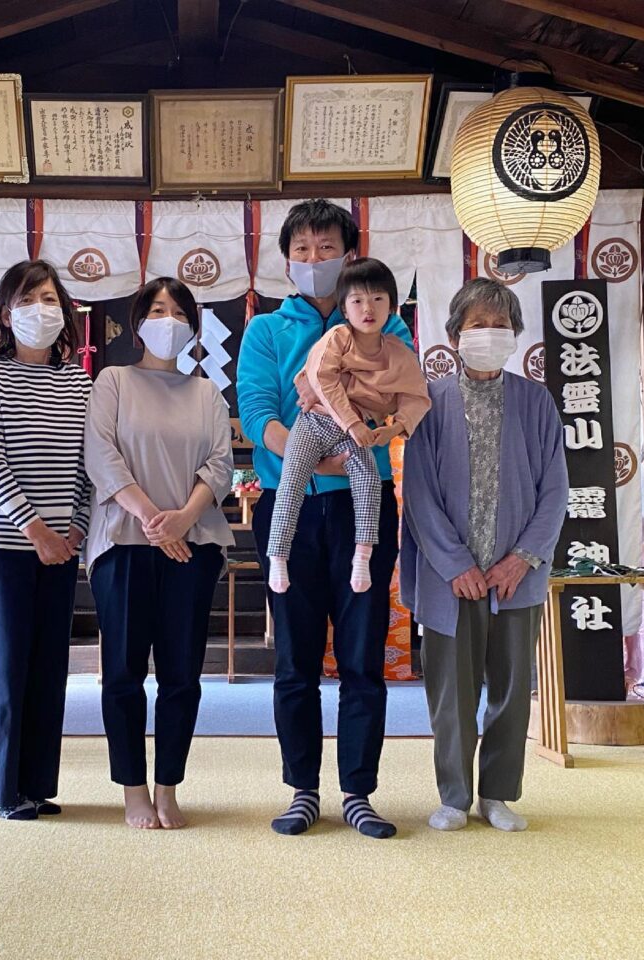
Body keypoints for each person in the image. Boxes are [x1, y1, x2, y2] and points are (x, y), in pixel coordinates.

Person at [237, 200, 416, 840]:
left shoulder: (388, 329)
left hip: (363, 509)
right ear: (287, 259)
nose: (315, 260)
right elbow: (259, 414)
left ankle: (360, 791)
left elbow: (401, 400)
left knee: (363, 655)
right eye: (303, 250)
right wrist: (326, 452)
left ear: (349, 254)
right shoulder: (265, 330)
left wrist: (359, 449)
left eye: (327, 248)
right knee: (297, 658)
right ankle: (303, 789)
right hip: (293, 503)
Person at [400, 277, 569, 833]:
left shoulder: (534, 400)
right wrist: (456, 565)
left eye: (500, 326)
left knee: (513, 685)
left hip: (515, 576)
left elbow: (554, 491)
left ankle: (498, 793)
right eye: (478, 325)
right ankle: (453, 794)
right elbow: (419, 493)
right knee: (450, 689)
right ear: (454, 334)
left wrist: (521, 558)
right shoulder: (430, 401)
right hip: (451, 579)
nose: (489, 335)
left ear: (516, 334)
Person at [85, 276, 234, 830]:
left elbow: (220, 466)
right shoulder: (113, 381)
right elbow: (101, 455)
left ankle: (168, 785)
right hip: (124, 545)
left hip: (191, 550)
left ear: (192, 326)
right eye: (156, 309)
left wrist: (183, 520)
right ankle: (132, 789)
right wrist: (154, 520)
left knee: (181, 675)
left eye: (177, 311)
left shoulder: (206, 393)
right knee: (122, 673)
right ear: (138, 321)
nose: (166, 320)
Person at [0, 259, 91, 821]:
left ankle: (36, 783)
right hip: (0, 541)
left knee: (47, 667)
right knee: (4, 665)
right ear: (6, 315)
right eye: (28, 299)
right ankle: (0, 789)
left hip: (60, 546)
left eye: (49, 298)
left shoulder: (78, 380)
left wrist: (76, 528)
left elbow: (88, 466)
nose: (41, 309)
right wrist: (34, 529)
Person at [267, 257, 430, 595]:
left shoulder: (399, 352)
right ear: (344, 307)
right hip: (315, 422)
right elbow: (322, 380)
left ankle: (362, 554)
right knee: (293, 477)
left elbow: (417, 396)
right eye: (357, 300)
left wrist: (395, 428)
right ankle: (278, 556)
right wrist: (353, 421)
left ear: (392, 306)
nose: (367, 308)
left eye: (378, 299)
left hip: (359, 433)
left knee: (369, 480)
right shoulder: (337, 337)